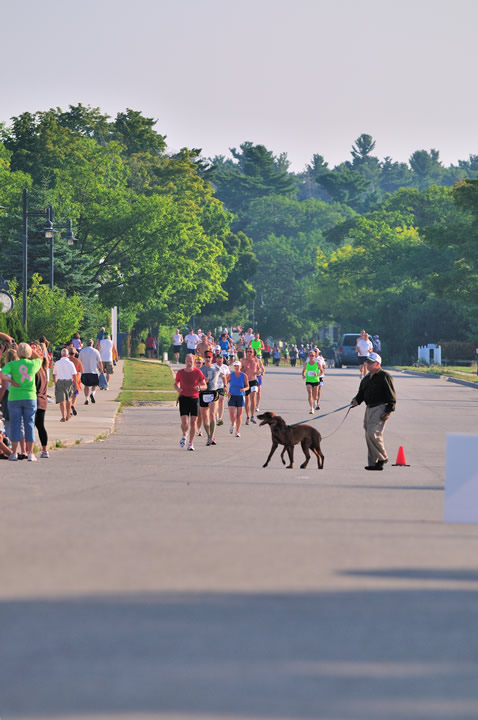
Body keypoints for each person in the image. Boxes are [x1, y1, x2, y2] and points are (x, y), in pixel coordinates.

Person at [351, 352, 396, 470]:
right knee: (368, 435)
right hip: (369, 408)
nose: (367, 364)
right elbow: (361, 394)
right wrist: (356, 400)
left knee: (373, 433)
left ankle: (383, 457)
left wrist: (388, 411)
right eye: (367, 362)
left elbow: (391, 396)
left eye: (370, 362)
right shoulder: (366, 378)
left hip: (380, 407)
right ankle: (373, 463)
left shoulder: (384, 376)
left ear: (377, 364)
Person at [0, 341, 43, 461]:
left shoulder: (13, 364)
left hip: (14, 397)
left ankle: (14, 452)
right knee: (29, 424)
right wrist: (30, 350)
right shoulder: (33, 364)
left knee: (15, 424)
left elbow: (2, 374)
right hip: (29, 396)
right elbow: (39, 358)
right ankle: (30, 453)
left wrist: (11, 381)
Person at [174, 353, 207, 451]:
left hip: (194, 399)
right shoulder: (180, 372)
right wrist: (177, 389)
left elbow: (205, 385)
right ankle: (184, 434)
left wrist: (200, 387)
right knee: (185, 422)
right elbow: (175, 384)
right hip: (184, 398)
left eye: (191, 361)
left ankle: (190, 443)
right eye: (188, 361)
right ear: (185, 361)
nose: (189, 363)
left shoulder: (198, 372)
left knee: (193, 422)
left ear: (194, 362)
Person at [199, 351, 221, 445]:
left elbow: (224, 377)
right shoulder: (200, 370)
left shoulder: (217, 369)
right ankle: (208, 436)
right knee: (205, 417)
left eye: (209, 357)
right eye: (206, 357)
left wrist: (224, 387)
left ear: (212, 358)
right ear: (204, 358)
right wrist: (203, 382)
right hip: (203, 393)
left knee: (212, 414)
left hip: (213, 392)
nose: (208, 359)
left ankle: (212, 436)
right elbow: (197, 382)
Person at [53, 348, 77, 422]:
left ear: (61, 355)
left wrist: (55, 382)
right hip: (68, 382)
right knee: (68, 399)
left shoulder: (57, 363)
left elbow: (54, 374)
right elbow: (74, 375)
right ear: (67, 355)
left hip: (60, 381)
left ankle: (63, 416)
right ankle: (68, 415)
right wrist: (75, 385)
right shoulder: (70, 363)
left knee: (61, 400)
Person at [227, 360, 249, 437]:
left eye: (238, 366)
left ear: (240, 367)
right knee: (232, 414)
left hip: (240, 396)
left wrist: (244, 389)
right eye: (235, 366)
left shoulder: (244, 375)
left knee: (239, 415)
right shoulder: (230, 375)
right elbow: (224, 384)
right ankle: (233, 424)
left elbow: (247, 386)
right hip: (232, 396)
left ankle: (237, 430)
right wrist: (227, 392)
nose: (236, 367)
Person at [241, 346, 262, 424]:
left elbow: (258, 370)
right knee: (247, 400)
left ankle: (253, 416)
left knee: (253, 397)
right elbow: (239, 371)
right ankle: (247, 417)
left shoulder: (256, 360)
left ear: (254, 353)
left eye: (250, 352)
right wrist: (245, 369)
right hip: (246, 382)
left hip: (253, 381)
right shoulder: (243, 361)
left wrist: (258, 372)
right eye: (248, 352)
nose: (249, 353)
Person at [34, 351, 50, 458]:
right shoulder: (44, 371)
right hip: (43, 401)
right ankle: (44, 450)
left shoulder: (36, 372)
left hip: (35, 399)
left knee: (30, 426)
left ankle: (28, 449)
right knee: (41, 426)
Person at [79, 339, 104, 405]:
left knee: (86, 386)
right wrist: (101, 369)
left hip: (84, 371)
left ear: (86, 344)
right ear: (92, 344)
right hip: (93, 371)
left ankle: (86, 399)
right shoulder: (96, 351)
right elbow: (100, 362)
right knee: (95, 385)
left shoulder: (82, 351)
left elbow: (79, 361)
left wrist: (79, 369)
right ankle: (92, 393)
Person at [302, 349, 324, 414]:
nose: (311, 356)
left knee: (315, 396)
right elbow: (304, 371)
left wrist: (317, 374)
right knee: (309, 393)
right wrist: (303, 375)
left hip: (316, 381)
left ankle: (316, 401)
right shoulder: (306, 364)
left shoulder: (317, 363)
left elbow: (322, 371)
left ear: (315, 356)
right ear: (309, 356)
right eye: (310, 355)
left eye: (313, 355)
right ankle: (311, 408)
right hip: (308, 380)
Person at [214, 353, 230, 426]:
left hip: (222, 386)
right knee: (215, 402)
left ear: (223, 359)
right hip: (214, 387)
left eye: (221, 358)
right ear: (216, 359)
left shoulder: (225, 367)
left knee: (222, 400)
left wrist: (226, 385)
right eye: (218, 358)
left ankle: (220, 417)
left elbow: (228, 376)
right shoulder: (213, 366)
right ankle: (215, 415)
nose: (219, 360)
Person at [68, 346, 84, 416]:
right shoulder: (77, 361)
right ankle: (73, 405)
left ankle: (69, 408)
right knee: (75, 394)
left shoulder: (67, 360)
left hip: (68, 378)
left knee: (69, 395)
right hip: (76, 379)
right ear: (75, 353)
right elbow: (82, 370)